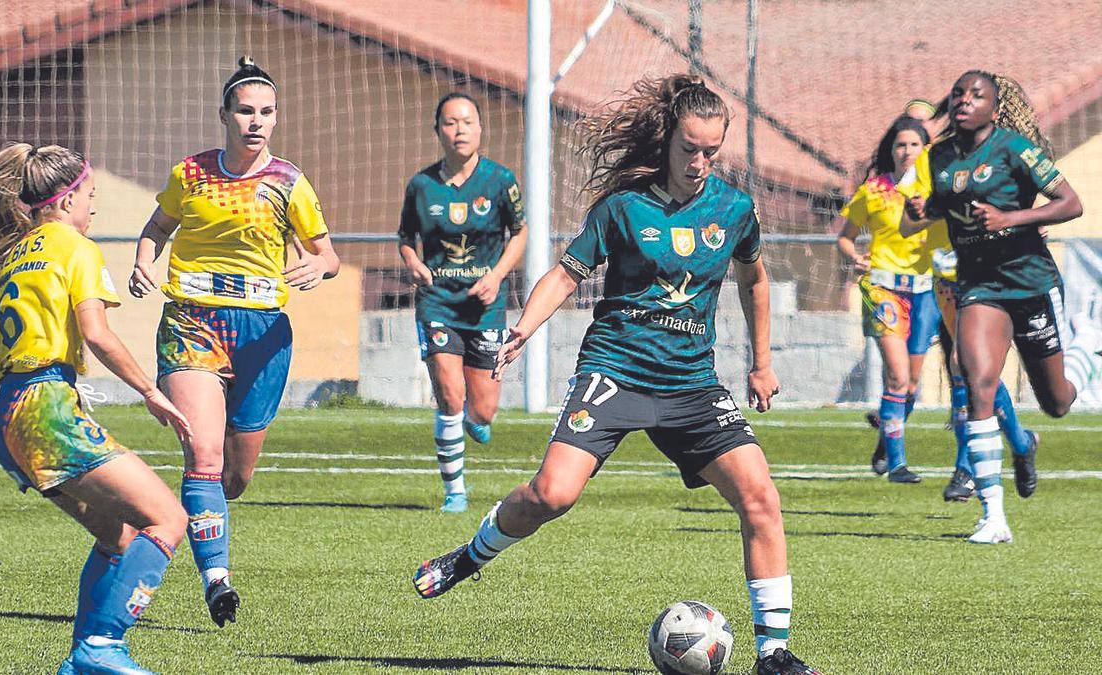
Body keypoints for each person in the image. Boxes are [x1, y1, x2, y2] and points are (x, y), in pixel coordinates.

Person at [411, 75, 821, 675]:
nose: (699, 162)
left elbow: (754, 280)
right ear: (667, 141)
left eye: (711, 151)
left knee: (761, 500)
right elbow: (564, 274)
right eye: (689, 149)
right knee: (552, 494)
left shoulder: (735, 210)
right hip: (616, 370)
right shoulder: (623, 209)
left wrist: (761, 363)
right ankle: (470, 556)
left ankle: (774, 653)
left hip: (691, 384)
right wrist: (524, 327)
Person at [0, 120, 192, 674]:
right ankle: (102, 647)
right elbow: (97, 333)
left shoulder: (18, 252)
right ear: (64, 201)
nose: (93, 208)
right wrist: (152, 392)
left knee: (118, 534)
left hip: (8, 414)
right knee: (167, 519)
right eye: (89, 196)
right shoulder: (73, 247)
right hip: (44, 410)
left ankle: (84, 660)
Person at [128, 57, 339, 624]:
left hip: (262, 335)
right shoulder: (189, 174)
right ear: (224, 114)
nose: (256, 121)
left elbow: (328, 255)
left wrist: (318, 269)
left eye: (267, 112)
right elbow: (155, 230)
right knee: (203, 454)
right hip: (192, 323)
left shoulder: (289, 182)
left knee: (235, 476)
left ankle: (201, 509)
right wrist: (144, 263)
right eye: (245, 110)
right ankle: (217, 580)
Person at [903, 71, 1099, 543]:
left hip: (1028, 281)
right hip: (979, 285)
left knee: (1056, 403)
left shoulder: (1015, 149)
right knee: (975, 380)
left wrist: (1013, 217)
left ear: (994, 108)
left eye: (977, 95)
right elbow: (938, 209)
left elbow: (1071, 203)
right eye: (958, 95)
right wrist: (919, 213)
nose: (965, 101)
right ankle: (994, 518)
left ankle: (1085, 352)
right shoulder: (939, 156)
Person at [899, 101, 1040, 503]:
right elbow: (907, 226)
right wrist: (924, 212)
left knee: (970, 365)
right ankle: (1020, 440)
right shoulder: (932, 160)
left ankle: (967, 466)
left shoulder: (1009, 154)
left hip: (996, 275)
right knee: (973, 370)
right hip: (949, 279)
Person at [398, 92, 527, 513]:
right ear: (438, 131)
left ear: (480, 129)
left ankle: (478, 419)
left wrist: (497, 276)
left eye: (468, 122)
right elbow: (405, 238)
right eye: (451, 123)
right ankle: (455, 491)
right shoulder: (421, 185)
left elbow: (520, 233)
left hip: (485, 307)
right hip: (438, 303)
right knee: (450, 396)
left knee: (483, 411)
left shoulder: (500, 181)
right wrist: (414, 263)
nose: (460, 130)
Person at [836, 116, 941, 484]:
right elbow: (845, 236)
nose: (907, 151)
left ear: (926, 150)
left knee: (911, 383)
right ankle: (897, 464)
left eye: (915, 145)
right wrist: (854, 256)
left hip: (927, 290)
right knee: (896, 376)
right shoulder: (874, 190)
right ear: (890, 150)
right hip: (883, 288)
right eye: (901, 145)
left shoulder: (936, 190)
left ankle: (885, 436)